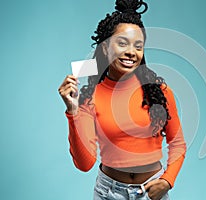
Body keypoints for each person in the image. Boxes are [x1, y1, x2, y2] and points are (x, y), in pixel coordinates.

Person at [58, 0, 186, 199]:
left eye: (138, 46)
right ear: (105, 48)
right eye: (122, 43)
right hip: (108, 192)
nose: (131, 52)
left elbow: (177, 142)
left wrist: (167, 181)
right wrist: (72, 112)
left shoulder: (159, 92)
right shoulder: (88, 99)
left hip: (152, 191)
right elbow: (85, 165)